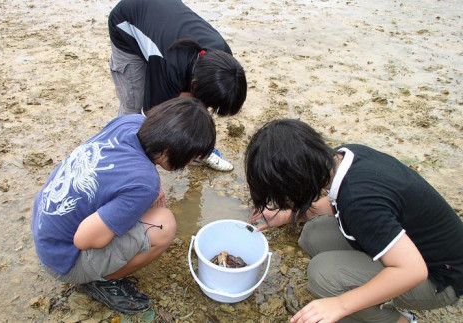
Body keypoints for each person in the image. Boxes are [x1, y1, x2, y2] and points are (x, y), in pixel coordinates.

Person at [245, 119, 463, 323]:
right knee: (314, 234)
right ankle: (373, 267)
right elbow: (334, 202)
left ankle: (401, 320)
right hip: (411, 247)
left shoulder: (359, 201)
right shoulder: (344, 155)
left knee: (323, 276)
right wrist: (289, 215)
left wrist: (340, 304)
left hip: (440, 278)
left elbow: (413, 271)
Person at [31, 97, 216, 313]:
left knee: (145, 206)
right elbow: (85, 239)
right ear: (170, 150)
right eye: (190, 157)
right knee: (164, 225)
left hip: (45, 229)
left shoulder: (130, 123)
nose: (189, 163)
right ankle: (102, 281)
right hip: (63, 260)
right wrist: (124, 219)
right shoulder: (144, 182)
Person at [107, 0, 247, 172]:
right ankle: (124, 160)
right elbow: (150, 121)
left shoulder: (223, 57)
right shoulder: (168, 65)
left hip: (161, 27)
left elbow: (197, 104)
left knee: (189, 107)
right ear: (194, 84)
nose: (209, 109)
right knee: (133, 109)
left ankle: (197, 150)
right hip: (126, 23)